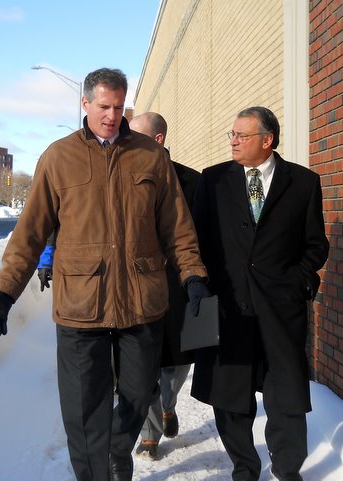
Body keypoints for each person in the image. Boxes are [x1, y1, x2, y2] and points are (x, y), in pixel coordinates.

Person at [0, 67, 210, 481]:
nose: (111, 116)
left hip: (141, 301)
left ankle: (116, 450)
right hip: (81, 306)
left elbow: (178, 227)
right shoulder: (58, 157)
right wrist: (4, 292)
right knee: (84, 409)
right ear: (85, 104)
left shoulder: (151, 156)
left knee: (139, 394)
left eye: (119, 107)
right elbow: (30, 232)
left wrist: (193, 275)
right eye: (104, 106)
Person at [190, 106, 329, 481]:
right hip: (228, 307)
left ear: (267, 140)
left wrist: (299, 281)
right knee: (229, 395)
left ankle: (288, 469)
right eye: (232, 134)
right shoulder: (213, 180)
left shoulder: (303, 183)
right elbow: (196, 240)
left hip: (281, 308)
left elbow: (316, 244)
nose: (233, 141)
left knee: (286, 395)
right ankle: (244, 468)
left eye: (242, 135)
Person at [128, 112, 199, 460]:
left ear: (157, 140)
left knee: (177, 361)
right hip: (137, 287)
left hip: (178, 286)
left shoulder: (193, 182)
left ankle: (168, 405)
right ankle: (150, 431)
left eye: (135, 135)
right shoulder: (124, 178)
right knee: (143, 364)